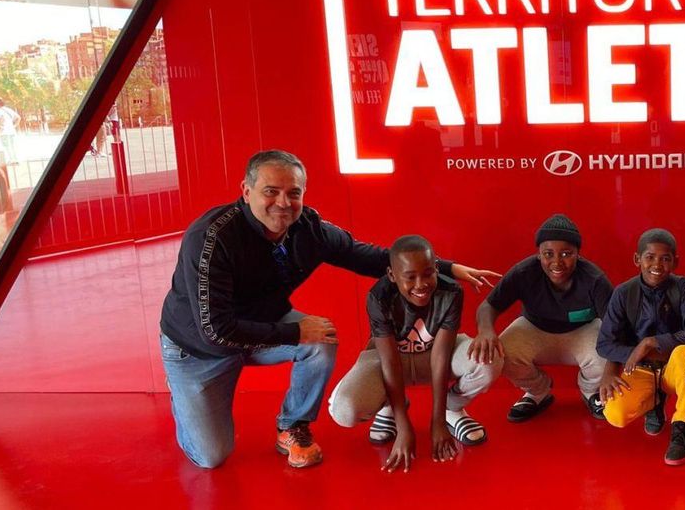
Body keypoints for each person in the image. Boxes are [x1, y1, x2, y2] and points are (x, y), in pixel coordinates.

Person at [158, 149, 498, 469]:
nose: (283, 203)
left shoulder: (307, 228)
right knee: (211, 456)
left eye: (294, 193)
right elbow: (215, 330)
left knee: (321, 339)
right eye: (270, 191)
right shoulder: (211, 238)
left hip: (262, 324)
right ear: (246, 191)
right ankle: (185, 395)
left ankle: (292, 426)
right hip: (201, 348)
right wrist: (294, 331)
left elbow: (375, 258)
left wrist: (446, 269)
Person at [329, 235, 501, 471]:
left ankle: (453, 408)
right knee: (344, 411)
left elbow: (440, 356)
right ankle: (389, 405)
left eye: (428, 274)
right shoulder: (379, 297)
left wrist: (437, 420)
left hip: (433, 356)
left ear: (437, 269)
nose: (420, 284)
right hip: (391, 358)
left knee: (489, 360)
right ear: (392, 275)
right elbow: (389, 362)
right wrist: (403, 425)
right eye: (410, 277)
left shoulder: (450, 291)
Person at [476, 214, 613, 422]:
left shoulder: (594, 279)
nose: (557, 262)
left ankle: (590, 391)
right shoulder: (524, 272)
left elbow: (614, 326)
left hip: (582, 330)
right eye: (548, 254)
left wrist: (611, 370)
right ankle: (538, 391)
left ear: (578, 254)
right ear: (539, 254)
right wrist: (486, 331)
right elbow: (488, 305)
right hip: (534, 328)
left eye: (566, 253)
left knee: (608, 354)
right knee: (499, 354)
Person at [596, 228, 685, 465]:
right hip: (641, 369)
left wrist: (650, 342)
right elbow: (605, 343)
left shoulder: (683, 287)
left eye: (665, 258)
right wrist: (614, 368)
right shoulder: (624, 293)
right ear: (637, 260)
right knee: (615, 414)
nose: (657, 264)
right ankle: (654, 401)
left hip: (671, 368)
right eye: (650, 257)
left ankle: (684, 429)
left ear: (675, 262)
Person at [0, 99, 20, 164]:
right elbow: (18, 117)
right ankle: (16, 159)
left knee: (6, 145)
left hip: (4, 131)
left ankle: (11, 160)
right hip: (12, 130)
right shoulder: (9, 109)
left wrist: (1, 127)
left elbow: (1, 118)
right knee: (12, 145)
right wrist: (14, 126)